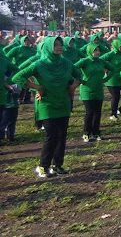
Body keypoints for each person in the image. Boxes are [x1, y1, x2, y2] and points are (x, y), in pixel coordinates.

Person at [13, 37, 82, 177]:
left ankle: (58, 165)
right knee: (51, 136)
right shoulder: (39, 64)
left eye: (60, 45)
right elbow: (18, 77)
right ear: (49, 47)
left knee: (62, 136)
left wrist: (73, 86)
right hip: (47, 104)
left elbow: (79, 75)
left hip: (63, 102)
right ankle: (43, 166)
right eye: (55, 45)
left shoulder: (67, 63)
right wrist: (37, 87)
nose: (59, 47)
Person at [75, 44, 114, 142]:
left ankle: (96, 133)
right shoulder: (85, 61)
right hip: (87, 90)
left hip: (99, 90)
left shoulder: (101, 61)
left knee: (98, 112)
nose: (97, 52)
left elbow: (113, 69)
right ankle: (86, 133)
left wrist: (106, 79)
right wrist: (80, 79)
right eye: (94, 50)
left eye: (98, 50)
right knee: (89, 112)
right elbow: (72, 68)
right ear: (89, 51)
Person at [101, 39, 121, 120]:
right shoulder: (111, 54)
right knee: (116, 97)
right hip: (112, 79)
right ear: (116, 46)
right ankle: (113, 114)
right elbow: (100, 60)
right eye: (120, 46)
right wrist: (106, 68)